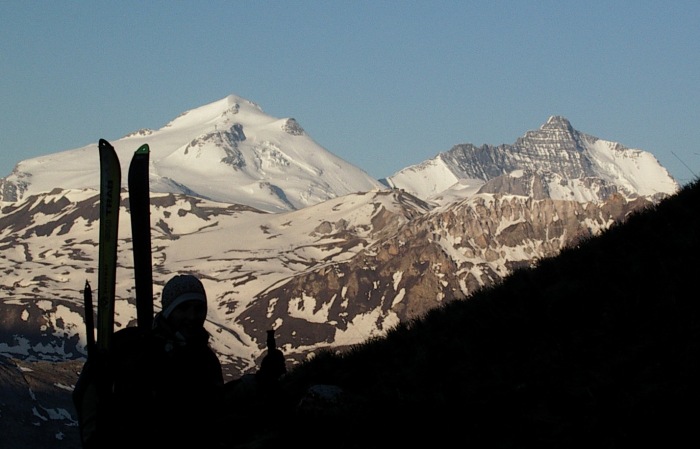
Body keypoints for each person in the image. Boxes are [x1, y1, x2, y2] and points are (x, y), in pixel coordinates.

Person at [74, 274, 225, 449]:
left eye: (199, 308)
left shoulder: (205, 360)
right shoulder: (132, 348)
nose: (192, 316)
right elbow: (88, 391)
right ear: (169, 311)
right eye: (183, 308)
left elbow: (214, 415)